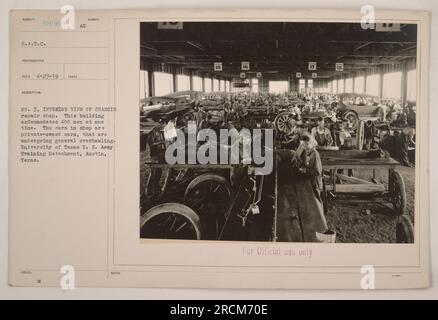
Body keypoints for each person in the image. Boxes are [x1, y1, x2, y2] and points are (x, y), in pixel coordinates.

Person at [290, 135, 328, 242]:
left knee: (317, 200)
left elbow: (317, 172)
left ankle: (322, 223)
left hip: (314, 181)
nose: (304, 146)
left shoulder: (315, 154)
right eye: (302, 144)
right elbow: (299, 160)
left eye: (306, 144)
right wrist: (297, 159)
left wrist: (305, 171)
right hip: (308, 179)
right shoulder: (305, 152)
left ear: (310, 143)